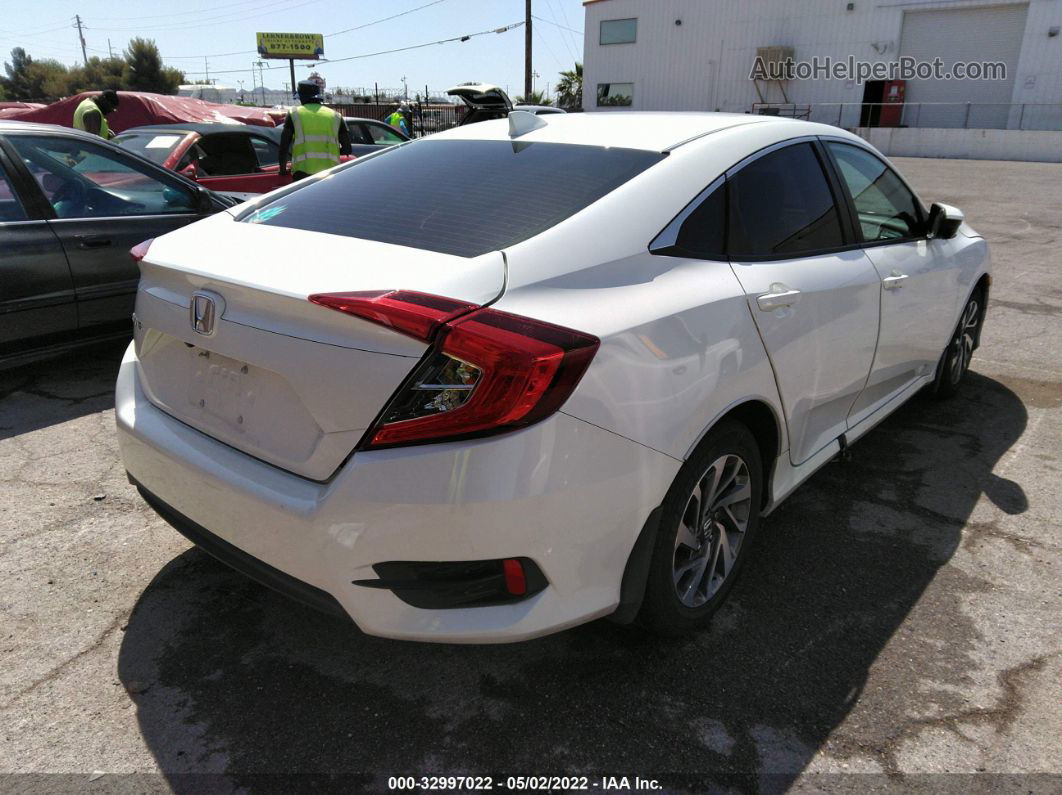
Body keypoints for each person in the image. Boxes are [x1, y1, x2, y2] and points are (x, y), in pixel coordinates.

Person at [279, 81, 352, 181]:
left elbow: (284, 146)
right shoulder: (335, 116)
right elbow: (348, 149)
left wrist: (282, 169)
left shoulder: (294, 114)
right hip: (330, 175)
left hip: (302, 175)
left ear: (302, 97)